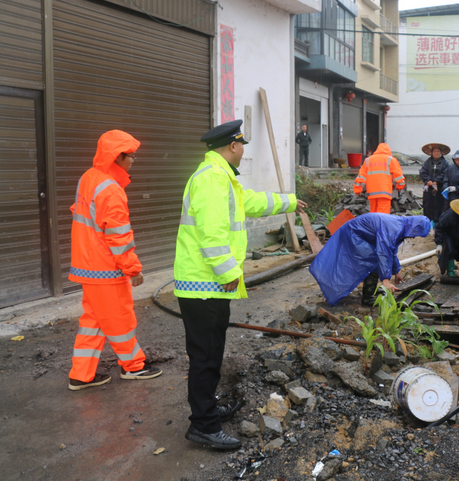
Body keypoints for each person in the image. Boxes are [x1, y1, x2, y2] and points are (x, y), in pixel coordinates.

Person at [175, 120, 306, 450]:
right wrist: (228, 271)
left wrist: (289, 202)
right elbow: (211, 233)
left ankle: (209, 409)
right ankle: (203, 425)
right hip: (202, 285)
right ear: (233, 146)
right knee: (204, 357)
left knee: (212, 352)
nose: (243, 150)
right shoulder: (211, 180)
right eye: (241, 145)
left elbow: (253, 202)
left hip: (209, 286)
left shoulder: (222, 178)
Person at [68, 130, 162, 391]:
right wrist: (133, 269)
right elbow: (119, 236)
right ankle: (133, 367)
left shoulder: (89, 178)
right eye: (131, 156)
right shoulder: (111, 190)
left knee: (94, 321)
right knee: (120, 319)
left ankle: (81, 375)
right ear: (117, 157)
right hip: (106, 270)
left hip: (87, 266)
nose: (133, 160)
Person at [309, 213, 431, 306]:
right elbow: (383, 253)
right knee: (373, 261)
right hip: (353, 234)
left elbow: (391, 251)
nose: (414, 237)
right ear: (413, 227)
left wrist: (396, 272)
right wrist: (386, 281)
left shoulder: (400, 226)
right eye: (416, 233)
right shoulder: (393, 229)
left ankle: (368, 292)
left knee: (374, 260)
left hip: (358, 234)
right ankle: (367, 298)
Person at [353, 142, 406, 214]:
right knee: (383, 215)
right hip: (385, 192)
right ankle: (380, 225)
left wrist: (357, 189)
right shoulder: (391, 160)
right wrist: (400, 186)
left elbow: (361, 176)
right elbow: (398, 176)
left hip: (372, 193)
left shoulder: (368, 160)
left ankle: (374, 225)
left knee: (374, 214)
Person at [419, 143, 450, 228]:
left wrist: (437, 181)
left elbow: (446, 173)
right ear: (431, 152)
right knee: (428, 206)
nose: (436, 153)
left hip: (440, 189)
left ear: (441, 152)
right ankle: (428, 225)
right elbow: (422, 172)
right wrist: (428, 180)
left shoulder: (445, 163)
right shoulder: (428, 162)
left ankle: (438, 226)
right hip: (429, 189)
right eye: (434, 151)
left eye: (438, 151)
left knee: (439, 206)